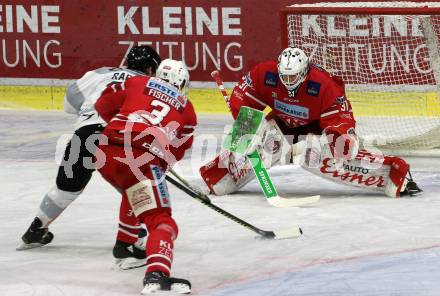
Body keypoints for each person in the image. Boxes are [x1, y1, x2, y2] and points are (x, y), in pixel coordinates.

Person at [200, 47, 422, 198]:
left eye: (293, 77)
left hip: (318, 129)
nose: (288, 82)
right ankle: (223, 175)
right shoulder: (264, 74)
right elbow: (244, 102)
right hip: (284, 124)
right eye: (284, 76)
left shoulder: (325, 86)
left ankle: (392, 173)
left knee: (313, 155)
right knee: (264, 142)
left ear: (304, 72)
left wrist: (329, 142)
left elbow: (342, 129)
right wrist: (246, 130)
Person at [18, 46, 162, 269]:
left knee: (66, 188)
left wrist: (90, 114)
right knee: (134, 187)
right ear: (150, 68)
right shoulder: (147, 84)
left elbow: (69, 104)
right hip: (115, 138)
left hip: (83, 134)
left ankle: (36, 229)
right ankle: (134, 239)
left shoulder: (99, 73)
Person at [94, 59, 196, 294]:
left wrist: (126, 132)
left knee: (134, 190)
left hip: (105, 150)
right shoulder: (188, 110)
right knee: (161, 220)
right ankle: (157, 276)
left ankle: (125, 244)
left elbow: (103, 105)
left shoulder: (137, 81)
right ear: (182, 83)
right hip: (142, 158)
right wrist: (156, 164)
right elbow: (176, 151)